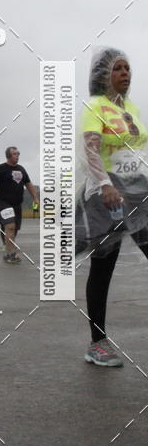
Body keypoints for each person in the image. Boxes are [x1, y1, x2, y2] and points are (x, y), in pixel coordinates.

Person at [76, 48, 148, 367]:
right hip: (106, 196)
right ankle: (97, 343)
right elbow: (91, 150)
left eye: (127, 68)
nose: (125, 73)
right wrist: (105, 185)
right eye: (118, 68)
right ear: (103, 74)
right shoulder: (96, 106)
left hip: (136, 192)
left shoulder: (131, 107)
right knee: (104, 267)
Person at [0, 147, 38, 264]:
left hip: (17, 204)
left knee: (14, 229)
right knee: (10, 226)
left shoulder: (21, 169)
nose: (17, 156)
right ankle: (10, 254)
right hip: (2, 202)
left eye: (18, 153)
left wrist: (35, 198)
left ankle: (8, 247)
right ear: (8, 156)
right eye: (15, 154)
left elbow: (28, 184)